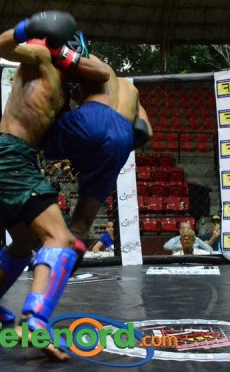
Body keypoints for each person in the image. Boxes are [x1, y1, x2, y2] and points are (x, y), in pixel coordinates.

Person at [0, 11, 84, 361]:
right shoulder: (41, 58)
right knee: (59, 238)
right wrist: (28, 27)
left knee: (23, 243)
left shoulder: (65, 91)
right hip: (10, 156)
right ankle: (35, 321)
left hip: (9, 158)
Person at [40, 33, 152, 257]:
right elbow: (145, 131)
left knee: (32, 135)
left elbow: (93, 70)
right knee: (80, 225)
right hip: (122, 139)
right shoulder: (131, 90)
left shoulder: (96, 64)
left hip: (94, 118)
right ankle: (60, 267)